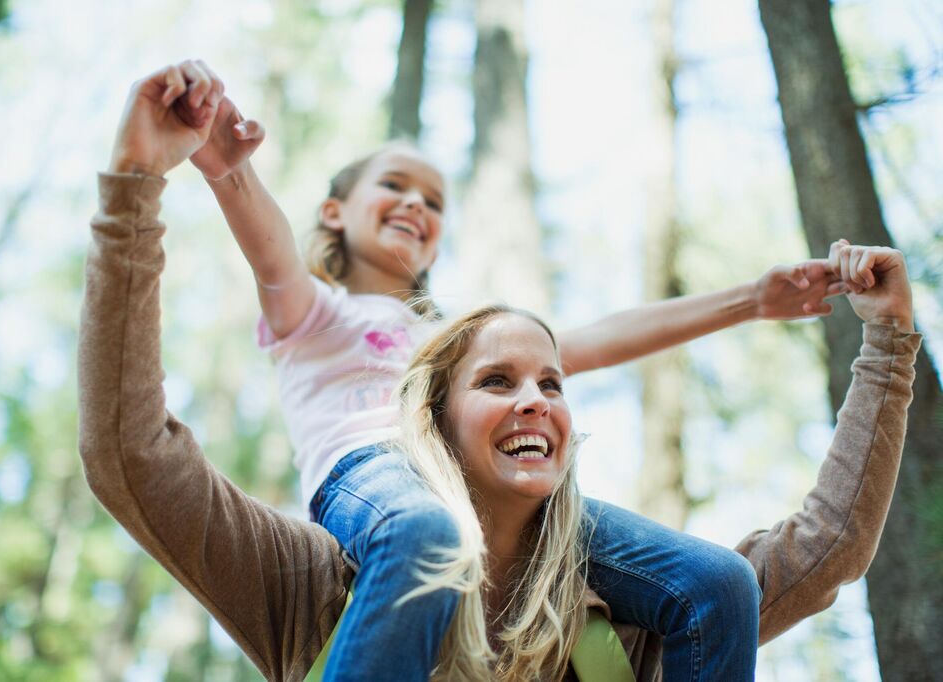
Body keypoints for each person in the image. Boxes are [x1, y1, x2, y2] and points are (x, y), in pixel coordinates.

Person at [80, 62, 920, 680]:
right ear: (335, 213)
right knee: (426, 535)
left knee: (716, 583)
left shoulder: (462, 338)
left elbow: (599, 338)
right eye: (395, 186)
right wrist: (222, 167)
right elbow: (268, 254)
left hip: (484, 503)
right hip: (376, 483)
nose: (417, 203)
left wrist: (750, 300)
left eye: (436, 201)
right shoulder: (320, 315)